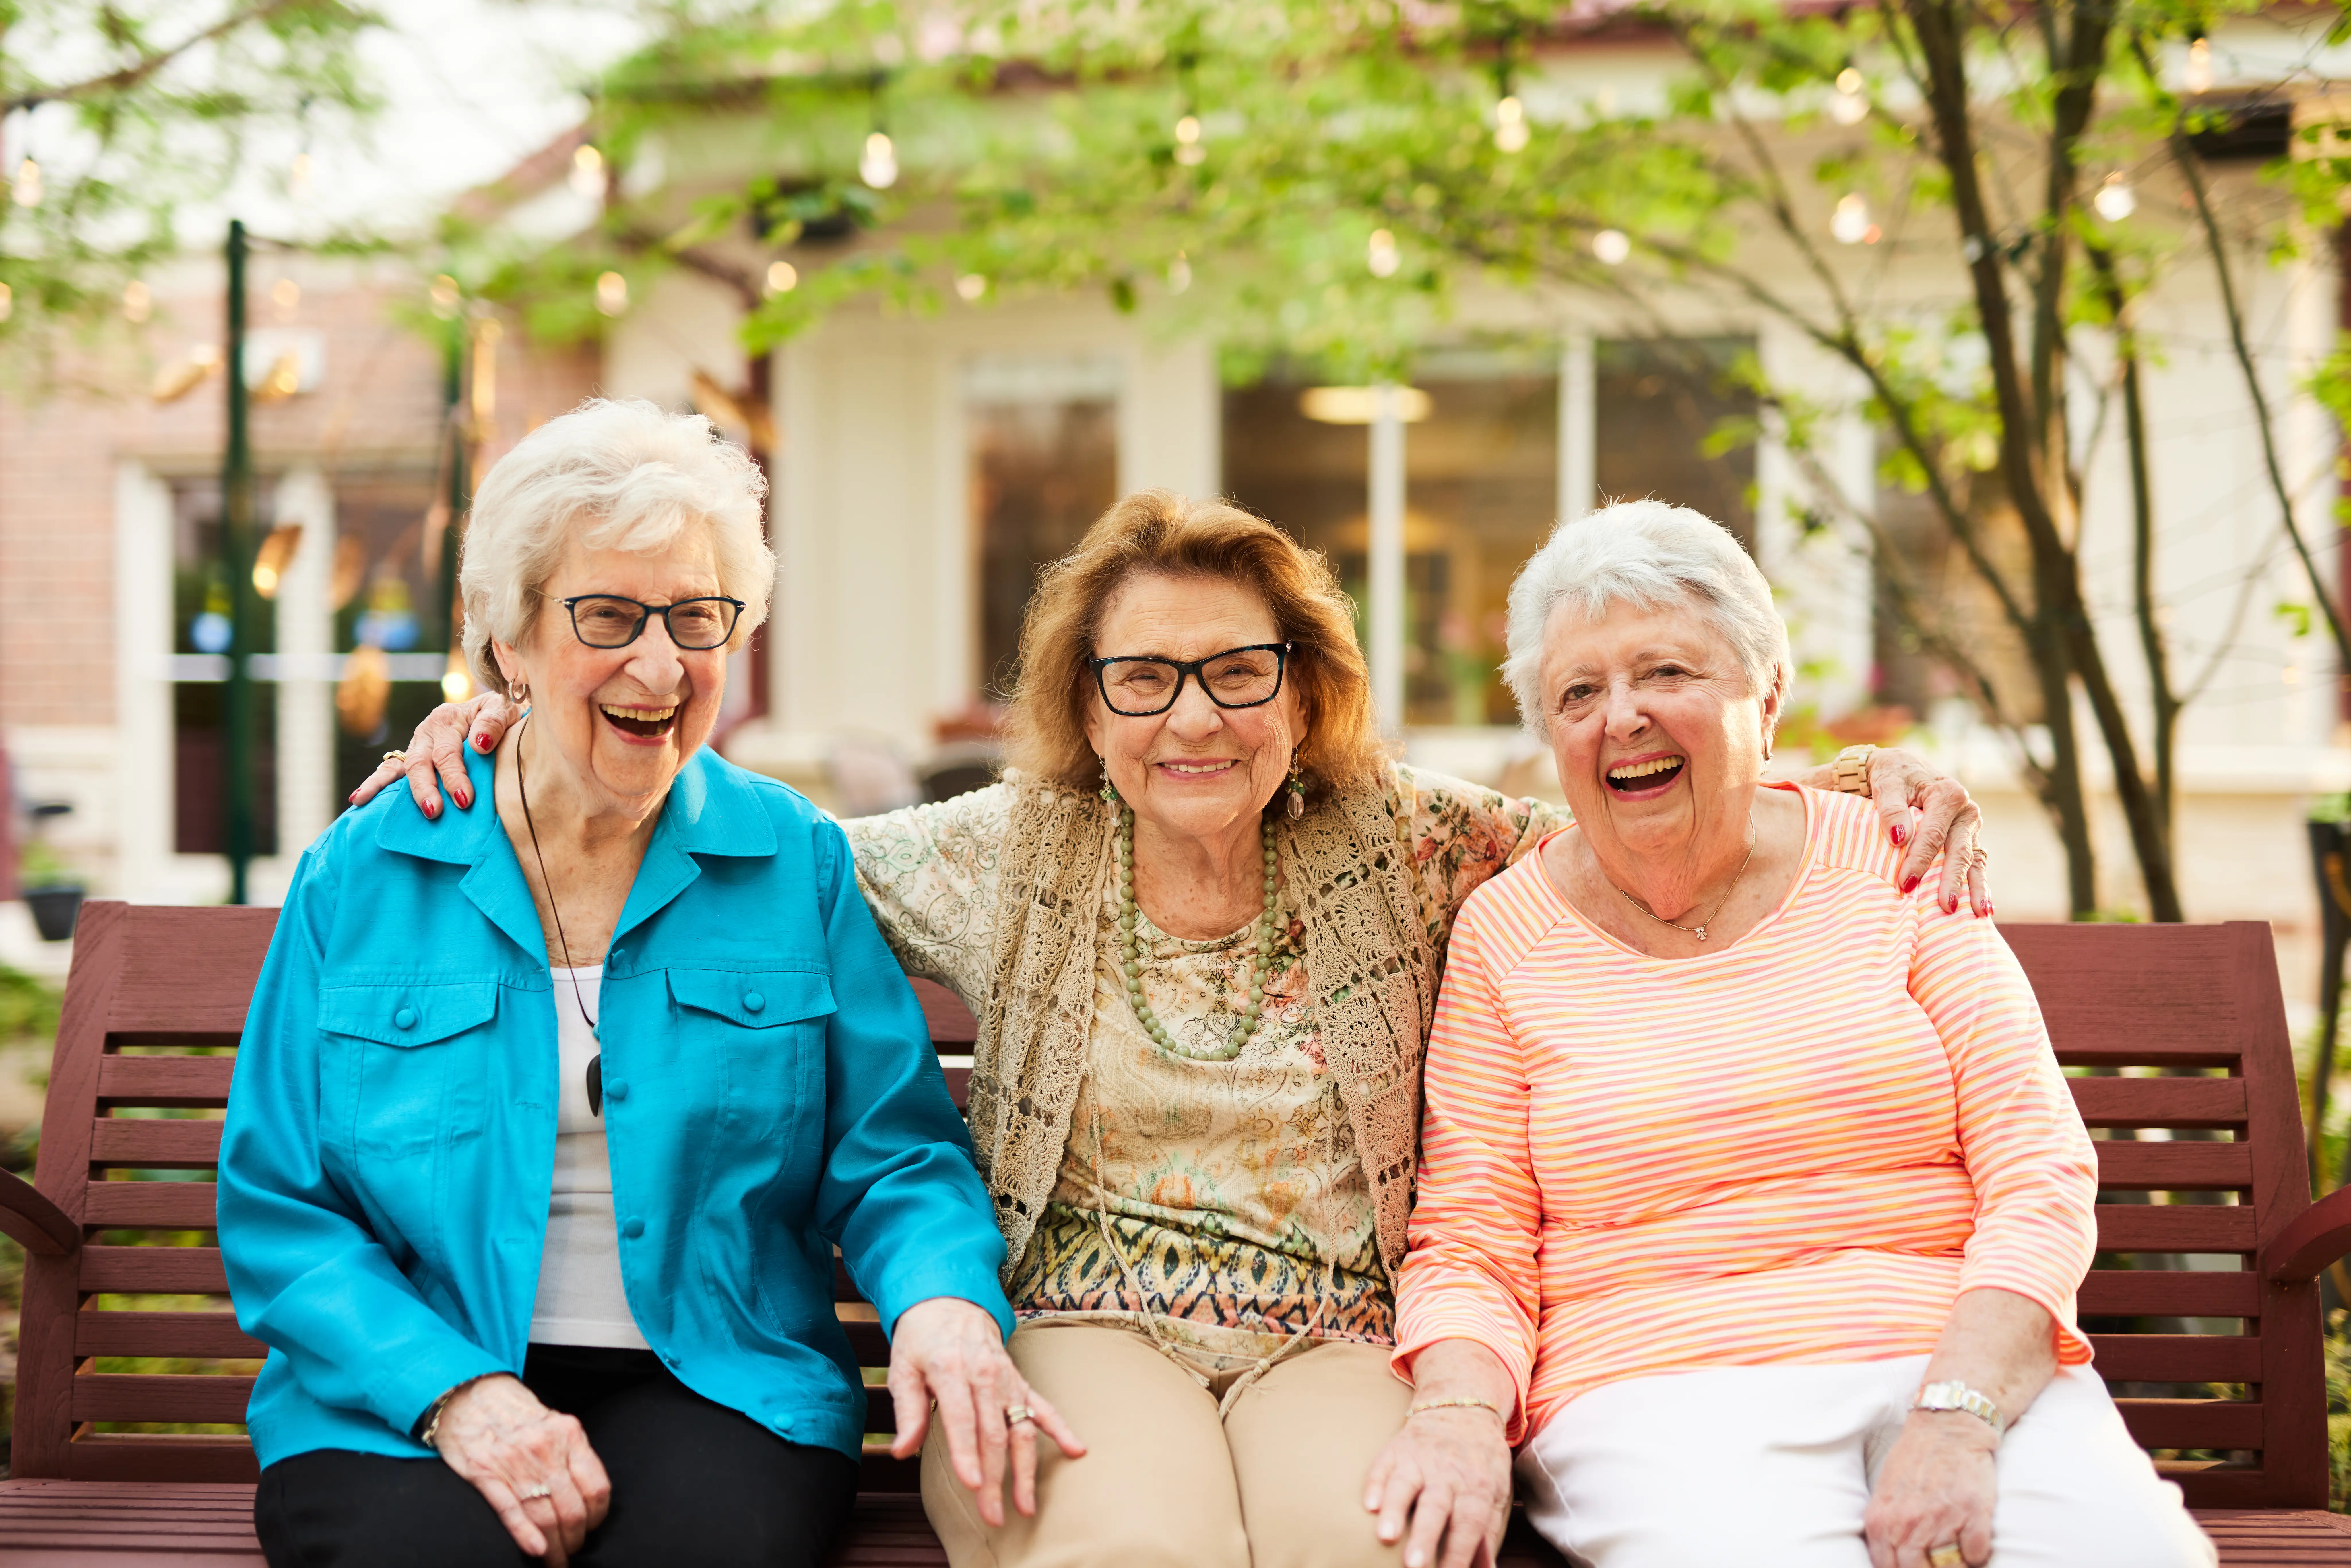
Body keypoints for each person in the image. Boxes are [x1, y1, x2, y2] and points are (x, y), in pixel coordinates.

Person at [355, 490, 1989, 1568]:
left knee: (1380, 1548)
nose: (1191, 716)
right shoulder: (1002, 848)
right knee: (1134, 1552)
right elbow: (719, 845)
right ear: (1086, 702)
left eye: (1235, 671)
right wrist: (505, 717)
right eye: (1141, 677)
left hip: (1344, 1327)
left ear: (1305, 687)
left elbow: (1635, 814)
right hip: (1079, 1318)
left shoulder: (1408, 840)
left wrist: (1846, 785)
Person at [220, 399, 1076, 1568]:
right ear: (509, 644)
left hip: (721, 1375)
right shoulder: (368, 872)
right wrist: (456, 1393)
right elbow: (281, 1205)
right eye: (610, 614)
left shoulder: (789, 857)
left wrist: (939, 1299)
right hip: (409, 1386)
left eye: (696, 615)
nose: (662, 662)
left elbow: (895, 1153)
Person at [1372, 500, 2214, 1568]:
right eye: (1578, 693)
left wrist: (1956, 1414)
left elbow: (2038, 1167)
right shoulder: (1507, 933)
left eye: (1668, 674)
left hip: (1954, 1357)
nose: (1620, 716)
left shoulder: (1899, 861)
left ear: (1764, 697)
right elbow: (1474, 1237)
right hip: (1656, 1386)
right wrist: (1457, 1416)